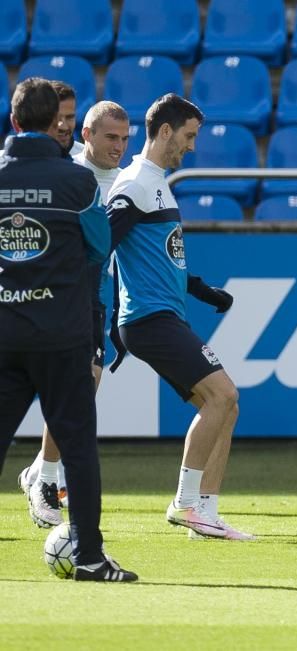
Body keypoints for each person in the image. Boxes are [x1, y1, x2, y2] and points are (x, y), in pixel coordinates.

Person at [0, 78, 136, 581]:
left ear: (14, 121)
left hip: (4, 332)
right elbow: (100, 249)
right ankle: (90, 558)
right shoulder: (77, 183)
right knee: (77, 450)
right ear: (55, 124)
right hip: (62, 334)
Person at [106, 93, 251, 541]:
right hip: (150, 320)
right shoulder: (132, 186)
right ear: (165, 131)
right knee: (222, 395)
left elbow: (160, 256)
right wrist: (106, 318)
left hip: (165, 316)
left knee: (226, 407)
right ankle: (186, 505)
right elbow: (100, 247)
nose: (192, 147)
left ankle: (204, 512)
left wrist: (201, 289)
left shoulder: (156, 182)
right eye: (188, 136)